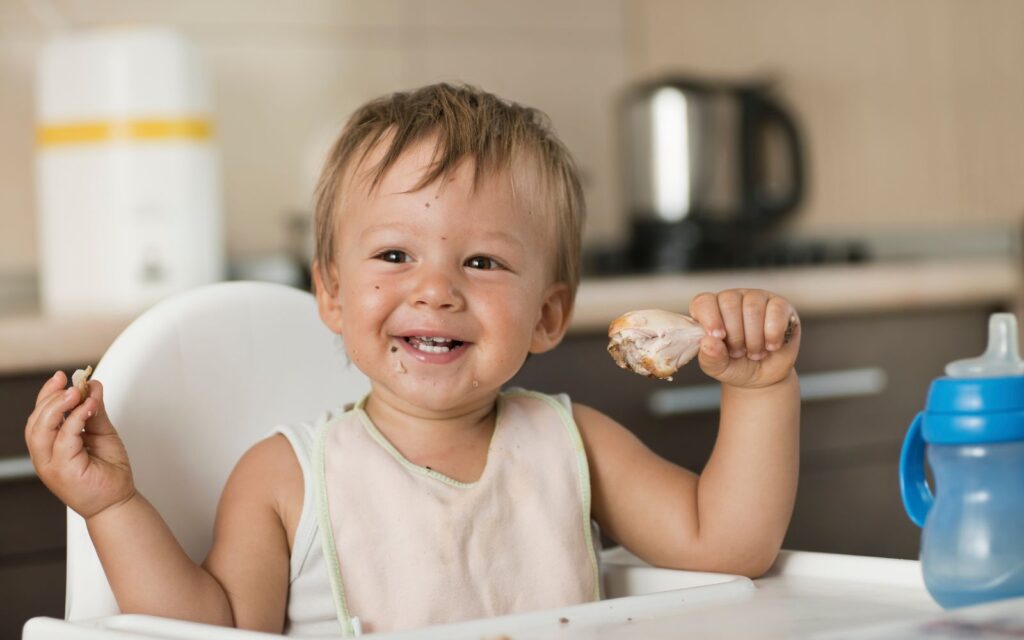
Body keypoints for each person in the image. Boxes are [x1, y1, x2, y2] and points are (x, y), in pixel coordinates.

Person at [24, 83, 801, 636]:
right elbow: (217, 632)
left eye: (484, 263)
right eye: (395, 254)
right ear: (331, 292)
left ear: (549, 314)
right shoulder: (286, 478)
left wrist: (761, 390)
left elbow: (728, 545)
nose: (434, 291)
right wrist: (112, 508)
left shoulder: (574, 444)